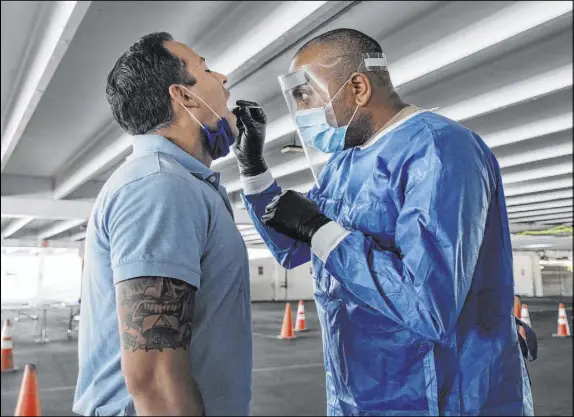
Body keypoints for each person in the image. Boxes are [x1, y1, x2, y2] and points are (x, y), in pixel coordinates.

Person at [234, 28, 534, 415]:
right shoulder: (343, 164)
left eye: (304, 95)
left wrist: (321, 228)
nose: (301, 112)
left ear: (357, 87)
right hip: (361, 392)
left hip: (444, 395)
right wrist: (254, 169)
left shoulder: (440, 150)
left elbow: (428, 305)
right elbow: (294, 246)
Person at [74, 32, 253, 416]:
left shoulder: (181, 183)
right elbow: (154, 376)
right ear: (184, 95)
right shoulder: (160, 186)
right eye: (206, 69)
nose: (223, 79)